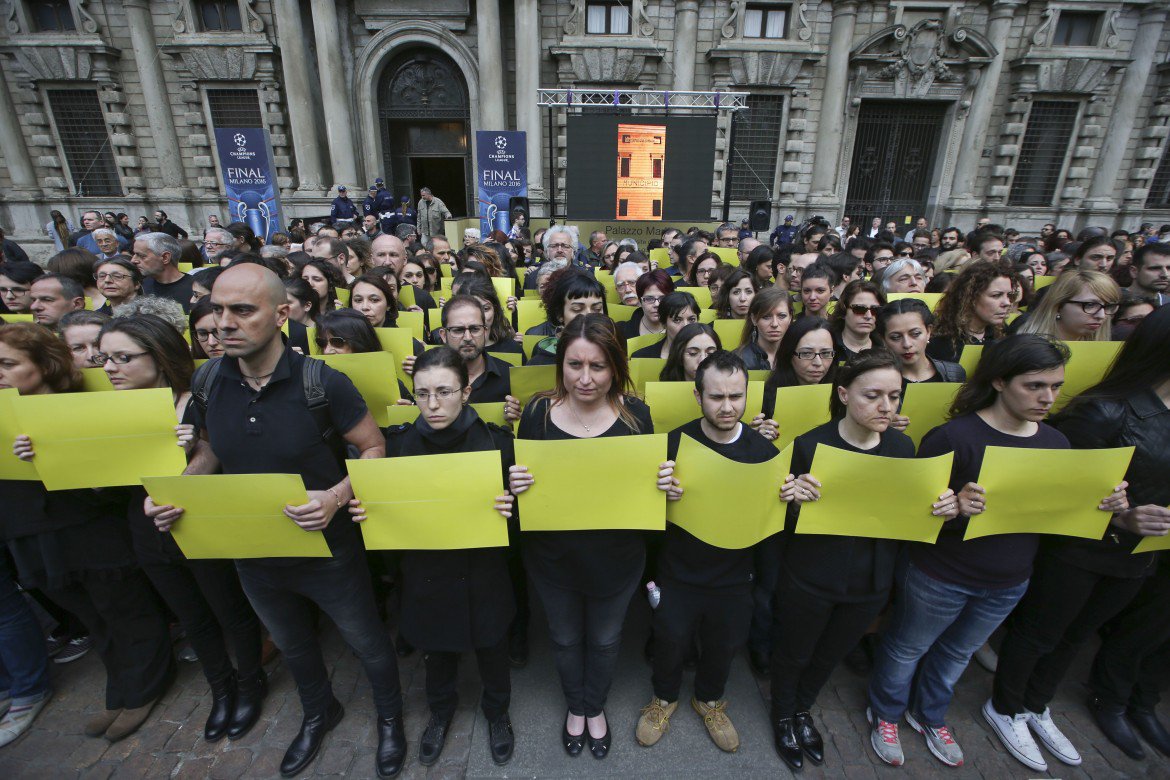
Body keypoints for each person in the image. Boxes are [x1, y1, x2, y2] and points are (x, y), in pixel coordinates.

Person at [143, 264, 408, 778]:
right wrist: (183, 490)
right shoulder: (207, 379)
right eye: (218, 309)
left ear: (283, 314)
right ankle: (318, 711)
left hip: (328, 549)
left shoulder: (323, 382)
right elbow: (210, 448)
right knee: (291, 642)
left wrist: (335, 496)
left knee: (366, 641)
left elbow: (374, 446)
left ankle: (391, 717)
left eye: (242, 310)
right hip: (253, 551)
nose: (224, 323)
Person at [865, 335, 1127, 769]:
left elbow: (1057, 517)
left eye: (1055, 387)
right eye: (1035, 386)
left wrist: (1105, 508)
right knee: (907, 647)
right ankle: (886, 711)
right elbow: (911, 513)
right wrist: (954, 510)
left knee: (957, 653)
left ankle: (929, 713)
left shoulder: (1057, 444)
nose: (1047, 398)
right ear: (1001, 382)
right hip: (940, 573)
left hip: (1009, 578)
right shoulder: (954, 436)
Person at [986, 306, 1170, 770]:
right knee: (1041, 631)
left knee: (1077, 635)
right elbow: (1054, 487)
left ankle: (1036, 704)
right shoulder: (1105, 409)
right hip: (1078, 551)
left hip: (1139, 557)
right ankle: (1006, 707)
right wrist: (1121, 518)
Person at [771, 350, 958, 771]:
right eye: (873, 395)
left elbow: (906, 515)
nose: (886, 406)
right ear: (844, 393)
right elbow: (782, 518)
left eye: (894, 396)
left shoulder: (901, 445)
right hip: (811, 574)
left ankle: (803, 709)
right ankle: (783, 713)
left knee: (829, 654)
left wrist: (941, 508)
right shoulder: (811, 444)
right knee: (794, 651)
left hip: (871, 579)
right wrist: (792, 498)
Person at [509, 314, 675, 760]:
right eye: (574, 364)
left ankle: (594, 704)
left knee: (604, 639)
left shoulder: (636, 415)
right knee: (563, 638)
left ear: (616, 367)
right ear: (560, 364)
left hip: (617, 558)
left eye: (598, 366)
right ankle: (576, 705)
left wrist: (661, 482)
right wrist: (517, 484)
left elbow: (647, 486)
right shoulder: (538, 413)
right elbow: (524, 483)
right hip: (553, 559)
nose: (585, 378)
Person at [96, 315, 266, 743]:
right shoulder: (104, 407)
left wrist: (182, 478)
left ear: (158, 356)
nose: (111, 367)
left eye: (123, 357)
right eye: (105, 358)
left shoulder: (196, 399)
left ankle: (250, 682)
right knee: (192, 616)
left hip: (198, 519)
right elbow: (97, 477)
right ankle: (220, 688)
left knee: (229, 608)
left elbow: (213, 452)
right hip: (146, 525)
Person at [2, 323, 175, 743]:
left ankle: (144, 687)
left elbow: (115, 483)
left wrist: (57, 455)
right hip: (29, 530)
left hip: (89, 526)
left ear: (44, 364)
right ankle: (119, 687)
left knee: (121, 606)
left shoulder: (82, 405)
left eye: (7, 364)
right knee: (91, 615)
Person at [349, 347, 518, 766]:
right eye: (422, 394)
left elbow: (524, 522)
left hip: (483, 567)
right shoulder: (399, 443)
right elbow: (389, 519)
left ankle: (498, 712)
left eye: (444, 391)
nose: (433, 404)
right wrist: (370, 512)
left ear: (467, 390)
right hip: (426, 570)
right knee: (435, 650)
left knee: (492, 645)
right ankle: (440, 712)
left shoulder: (498, 443)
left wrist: (512, 510)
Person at [637, 351, 781, 754]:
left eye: (736, 396)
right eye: (717, 397)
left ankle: (710, 700)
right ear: (697, 395)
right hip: (679, 571)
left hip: (736, 575)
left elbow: (769, 528)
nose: (728, 406)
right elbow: (646, 515)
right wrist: (659, 493)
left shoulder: (764, 454)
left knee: (724, 643)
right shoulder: (673, 446)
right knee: (669, 641)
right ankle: (663, 699)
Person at [437, 295, 521, 418]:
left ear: (485, 332)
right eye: (458, 330)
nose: (467, 338)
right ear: (444, 335)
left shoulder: (509, 376)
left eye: (475, 329)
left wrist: (517, 417)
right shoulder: (430, 377)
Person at [927, 261, 1019, 363]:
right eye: (996, 295)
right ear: (971, 297)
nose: (1007, 302)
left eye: (1009, 295)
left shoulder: (1004, 335)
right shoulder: (940, 342)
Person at [876, 299, 966, 388]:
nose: (907, 344)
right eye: (895, 337)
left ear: (928, 331)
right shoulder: (877, 380)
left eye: (915, 334)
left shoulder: (954, 374)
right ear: (883, 339)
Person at [525, 269, 606, 365]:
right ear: (560, 314)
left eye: (597, 309)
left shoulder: (612, 349)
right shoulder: (541, 359)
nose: (589, 315)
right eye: (577, 309)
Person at [1018, 270, 1121, 342]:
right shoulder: (1024, 347)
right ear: (1058, 306)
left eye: (1108, 306)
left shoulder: (1108, 345)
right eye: (1090, 305)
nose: (1101, 315)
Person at [132, 233, 194, 312]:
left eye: (141, 255)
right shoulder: (140, 286)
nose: (133, 260)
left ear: (165, 257)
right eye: (134, 254)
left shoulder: (197, 289)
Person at [735, 287, 793, 371]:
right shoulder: (738, 360)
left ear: (790, 318)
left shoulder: (800, 356)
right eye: (766, 317)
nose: (774, 324)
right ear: (753, 319)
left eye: (782, 316)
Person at [631, 292, 700, 360]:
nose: (685, 326)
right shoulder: (642, 358)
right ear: (664, 323)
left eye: (692, 319)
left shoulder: (707, 356)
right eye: (677, 320)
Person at [831, 280, 886, 362]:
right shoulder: (828, 346)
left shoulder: (886, 348)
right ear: (843, 310)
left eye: (875, 310)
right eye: (859, 309)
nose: (868, 316)